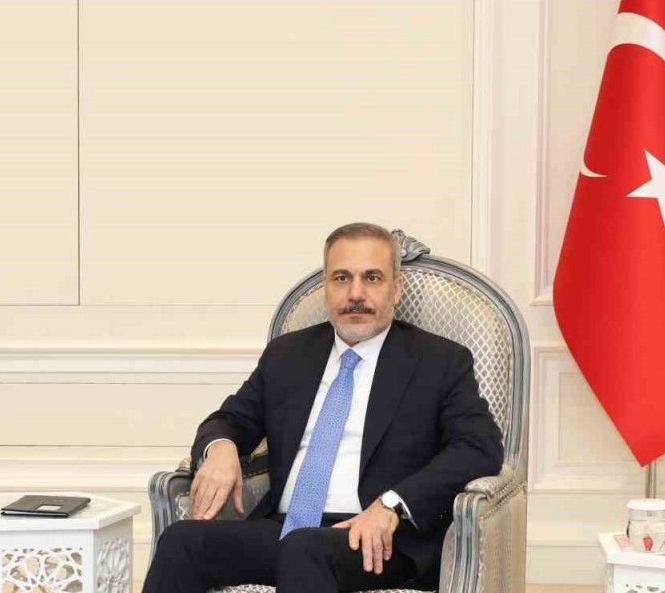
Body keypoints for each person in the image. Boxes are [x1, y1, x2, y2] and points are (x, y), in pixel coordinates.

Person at [143, 223, 502, 593]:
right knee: (182, 541)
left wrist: (392, 505)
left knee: (305, 550)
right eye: (342, 278)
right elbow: (230, 419)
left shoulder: (439, 361)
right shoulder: (288, 354)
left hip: (377, 539)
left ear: (396, 289)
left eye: (372, 278)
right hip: (285, 528)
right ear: (326, 288)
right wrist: (221, 448)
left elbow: (479, 447)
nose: (356, 294)